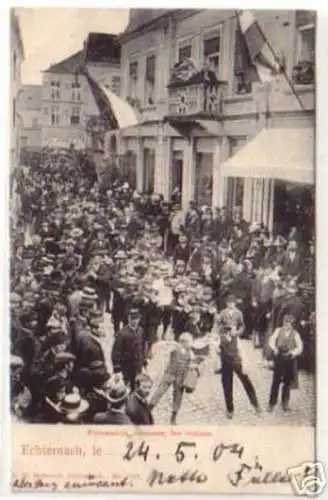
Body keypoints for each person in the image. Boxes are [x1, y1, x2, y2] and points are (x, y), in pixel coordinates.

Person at [216, 294, 261, 419]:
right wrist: (224, 332)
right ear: (226, 304)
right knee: (226, 382)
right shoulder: (222, 313)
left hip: (235, 353)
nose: (231, 305)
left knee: (245, 379)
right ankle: (230, 409)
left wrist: (237, 332)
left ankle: (256, 404)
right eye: (229, 303)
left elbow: (243, 325)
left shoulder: (239, 313)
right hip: (225, 353)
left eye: (233, 303)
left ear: (235, 304)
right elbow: (217, 326)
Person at [149, 332, 200, 425]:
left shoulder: (190, 352)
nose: (191, 344)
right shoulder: (175, 348)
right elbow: (160, 346)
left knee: (178, 397)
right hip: (169, 374)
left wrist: (194, 365)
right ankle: (148, 410)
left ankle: (173, 417)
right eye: (189, 342)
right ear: (184, 342)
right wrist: (167, 342)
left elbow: (192, 363)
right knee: (159, 392)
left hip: (180, 378)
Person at [267, 313, 303, 413]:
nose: (287, 325)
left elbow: (300, 347)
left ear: (292, 324)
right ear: (283, 322)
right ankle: (271, 403)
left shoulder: (295, 334)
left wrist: (292, 353)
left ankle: (285, 403)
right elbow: (271, 340)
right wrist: (274, 349)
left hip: (289, 360)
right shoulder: (278, 330)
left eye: (289, 323)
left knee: (287, 382)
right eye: (285, 323)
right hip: (279, 359)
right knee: (276, 381)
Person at [111, 307, 147, 390]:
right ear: (128, 318)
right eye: (132, 319)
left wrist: (144, 362)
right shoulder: (122, 333)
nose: (135, 321)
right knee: (125, 388)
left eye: (137, 318)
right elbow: (116, 352)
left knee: (136, 387)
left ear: (139, 319)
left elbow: (142, 346)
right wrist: (117, 369)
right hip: (126, 367)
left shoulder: (141, 331)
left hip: (137, 366)